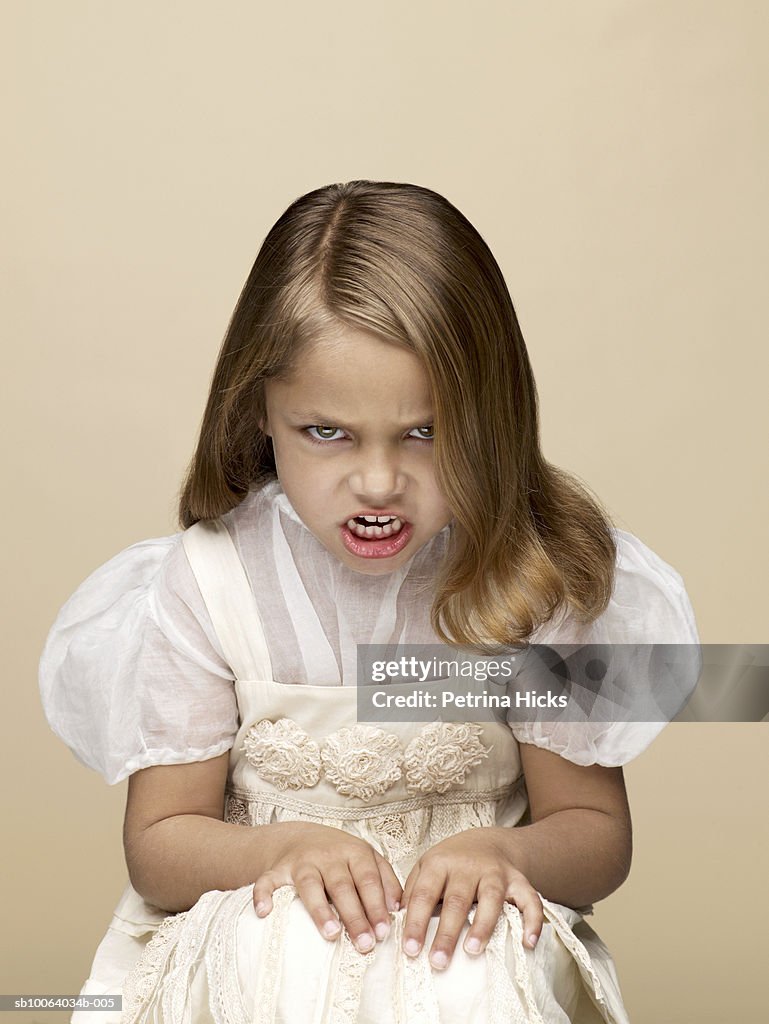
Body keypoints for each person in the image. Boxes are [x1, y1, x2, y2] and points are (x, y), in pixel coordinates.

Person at [39, 180, 700, 1024]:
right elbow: (161, 845)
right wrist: (278, 850)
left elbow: (594, 831)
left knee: (463, 970)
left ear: (490, 419)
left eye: (424, 431)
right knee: (293, 955)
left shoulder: (531, 577)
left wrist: (503, 851)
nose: (378, 481)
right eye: (328, 432)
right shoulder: (211, 582)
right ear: (260, 416)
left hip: (462, 934)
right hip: (265, 920)